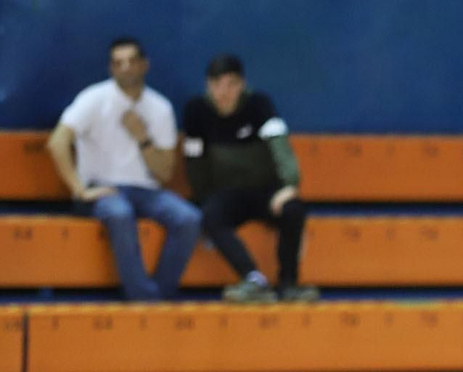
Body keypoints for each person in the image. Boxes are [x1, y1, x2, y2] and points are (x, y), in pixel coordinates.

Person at [45, 37, 202, 301]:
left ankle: (157, 296)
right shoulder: (94, 98)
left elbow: (164, 173)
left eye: (131, 61)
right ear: (111, 69)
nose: (125, 68)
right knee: (119, 213)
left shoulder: (160, 107)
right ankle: (144, 300)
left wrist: (142, 138)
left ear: (144, 65)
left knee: (189, 218)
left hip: (146, 190)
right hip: (101, 187)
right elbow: (57, 142)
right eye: (118, 63)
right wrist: (79, 189)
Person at [182, 54, 317, 303]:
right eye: (217, 85)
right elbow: (194, 163)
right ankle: (253, 279)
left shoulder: (258, 105)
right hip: (228, 194)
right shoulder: (196, 111)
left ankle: (289, 284)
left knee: (293, 210)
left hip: (266, 191)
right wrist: (204, 198)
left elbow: (280, 147)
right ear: (208, 86)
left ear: (242, 84)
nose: (224, 92)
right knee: (210, 215)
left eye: (231, 84)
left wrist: (289, 185)